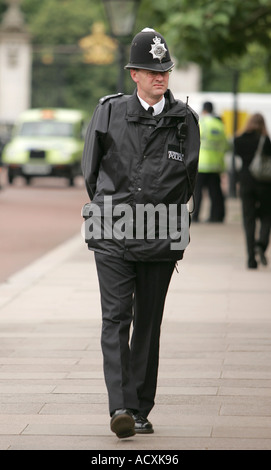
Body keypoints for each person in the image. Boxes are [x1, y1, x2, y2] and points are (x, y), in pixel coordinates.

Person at [81, 28, 200, 439]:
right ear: (133, 73)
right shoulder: (109, 112)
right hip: (112, 233)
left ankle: (140, 408)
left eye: (164, 70)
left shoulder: (184, 121)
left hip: (161, 235)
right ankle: (120, 406)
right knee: (116, 318)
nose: (159, 77)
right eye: (151, 71)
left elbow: (188, 181)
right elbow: (91, 173)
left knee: (149, 322)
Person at [234, 113, 271, 269]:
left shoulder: (239, 139)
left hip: (246, 183)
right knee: (266, 216)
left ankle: (251, 259)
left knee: (248, 220)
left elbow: (237, 159)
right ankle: (261, 244)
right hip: (264, 184)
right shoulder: (265, 140)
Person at [192, 101, 228, 223]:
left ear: (204, 110)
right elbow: (225, 145)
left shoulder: (202, 123)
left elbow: (193, 141)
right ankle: (215, 217)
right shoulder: (219, 125)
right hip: (216, 164)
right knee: (215, 192)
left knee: (198, 192)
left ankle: (196, 216)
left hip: (202, 164)